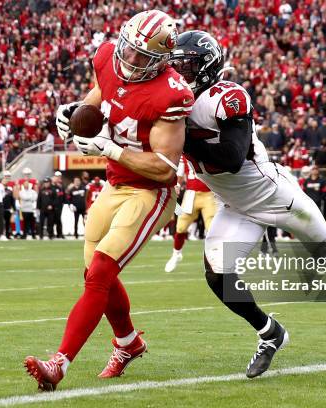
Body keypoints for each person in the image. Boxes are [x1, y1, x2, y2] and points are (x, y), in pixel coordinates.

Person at [171, 31, 326, 379]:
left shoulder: (226, 96)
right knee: (217, 276)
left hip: (274, 194)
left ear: (206, 67)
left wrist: (182, 135)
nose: (178, 72)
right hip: (234, 205)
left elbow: (232, 158)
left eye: (186, 65)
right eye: (176, 65)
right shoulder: (173, 100)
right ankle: (270, 333)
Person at [25, 10, 193, 391]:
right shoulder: (106, 58)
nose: (130, 61)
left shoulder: (172, 94)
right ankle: (129, 343)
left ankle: (58, 365)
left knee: (100, 272)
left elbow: (166, 168)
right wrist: (73, 114)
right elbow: (99, 99)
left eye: (142, 57)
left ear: (161, 59)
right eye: (128, 50)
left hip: (150, 193)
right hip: (114, 185)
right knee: (94, 274)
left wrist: (111, 149)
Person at [165, 156, 216, 272]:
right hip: (191, 194)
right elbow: (180, 173)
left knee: (212, 229)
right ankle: (176, 254)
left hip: (209, 194)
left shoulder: (209, 149)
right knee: (181, 227)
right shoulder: (185, 153)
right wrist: (177, 186)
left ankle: (212, 259)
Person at [52, 171, 66, 239]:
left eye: (59, 176)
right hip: (53, 205)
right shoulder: (52, 185)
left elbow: (63, 195)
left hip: (60, 205)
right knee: (52, 220)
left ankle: (59, 233)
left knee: (58, 220)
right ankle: (52, 233)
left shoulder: (61, 186)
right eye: (57, 176)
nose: (58, 178)